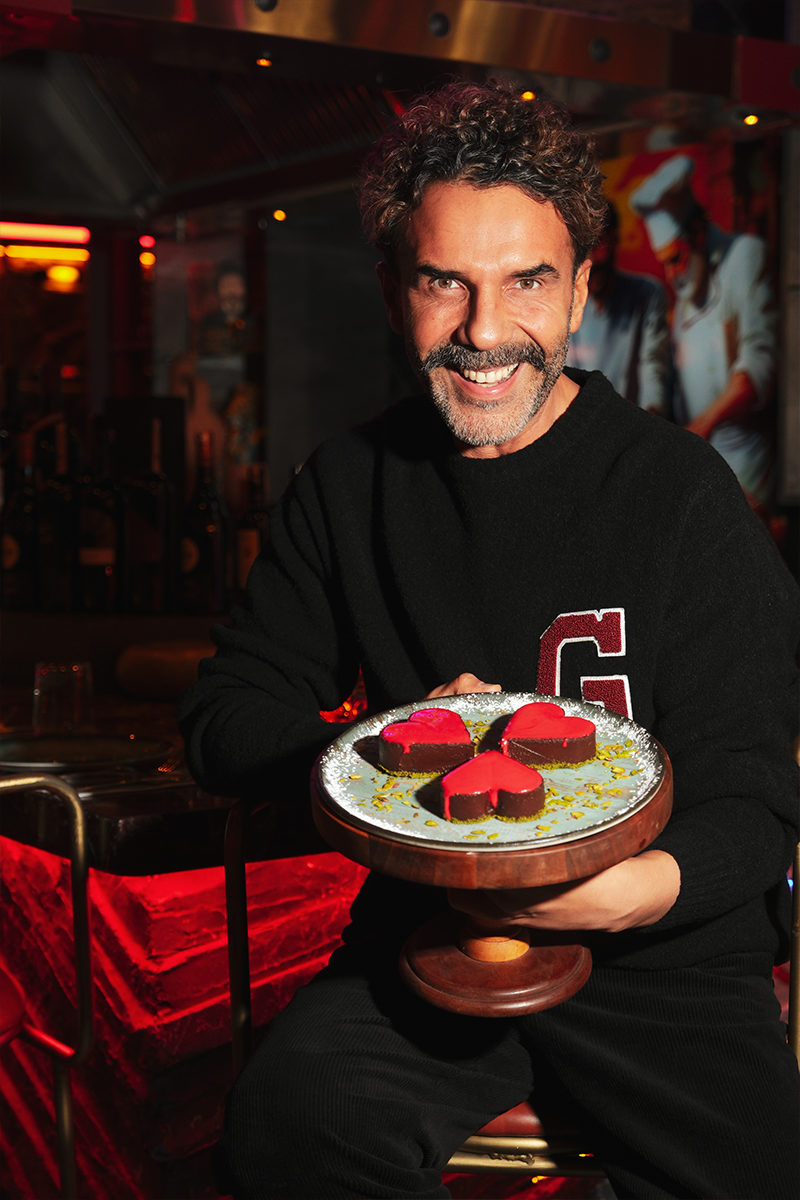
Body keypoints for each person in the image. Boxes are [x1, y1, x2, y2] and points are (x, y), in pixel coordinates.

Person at [178, 80, 799, 1200]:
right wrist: (394, 749)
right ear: (391, 290)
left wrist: (620, 894)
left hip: (666, 962)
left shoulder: (680, 494)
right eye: (443, 282)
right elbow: (227, 716)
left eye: (527, 282)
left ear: (580, 291)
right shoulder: (347, 486)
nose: (482, 332)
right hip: (424, 945)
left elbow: (755, 800)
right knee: (287, 1126)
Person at [629, 154, 776, 513]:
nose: (671, 275)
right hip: (704, 459)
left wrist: (703, 425)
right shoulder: (686, 292)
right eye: (665, 263)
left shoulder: (744, 257)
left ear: (697, 233)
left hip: (748, 458)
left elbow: (760, 361)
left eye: (675, 259)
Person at [566, 203, 671, 414]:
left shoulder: (646, 294)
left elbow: (653, 369)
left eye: (598, 244)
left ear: (615, 240)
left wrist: (651, 422)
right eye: (583, 250)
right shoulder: (566, 303)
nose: (592, 260)